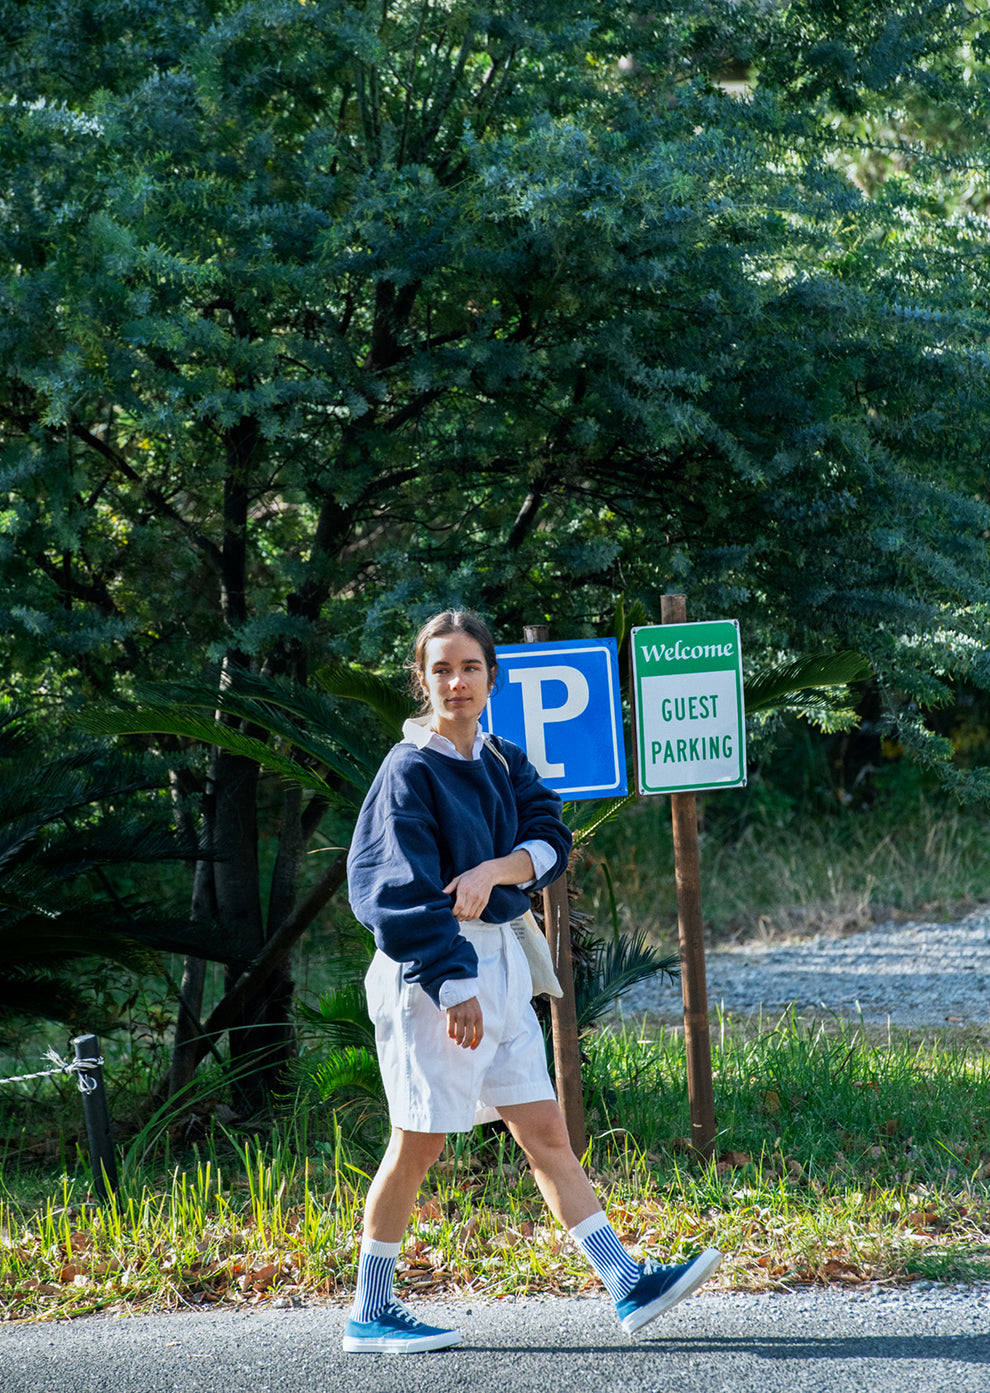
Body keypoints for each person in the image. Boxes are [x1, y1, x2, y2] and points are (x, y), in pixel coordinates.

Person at [343, 609, 720, 1353]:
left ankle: (627, 1284)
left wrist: (493, 869)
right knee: (419, 1141)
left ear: (492, 677)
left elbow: (550, 838)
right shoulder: (407, 770)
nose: (456, 682)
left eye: (470, 668)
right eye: (442, 669)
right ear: (422, 678)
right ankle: (370, 1310)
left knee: (546, 1131)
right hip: (436, 974)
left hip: (504, 965)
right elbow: (392, 892)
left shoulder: (501, 759)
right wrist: (452, 984)